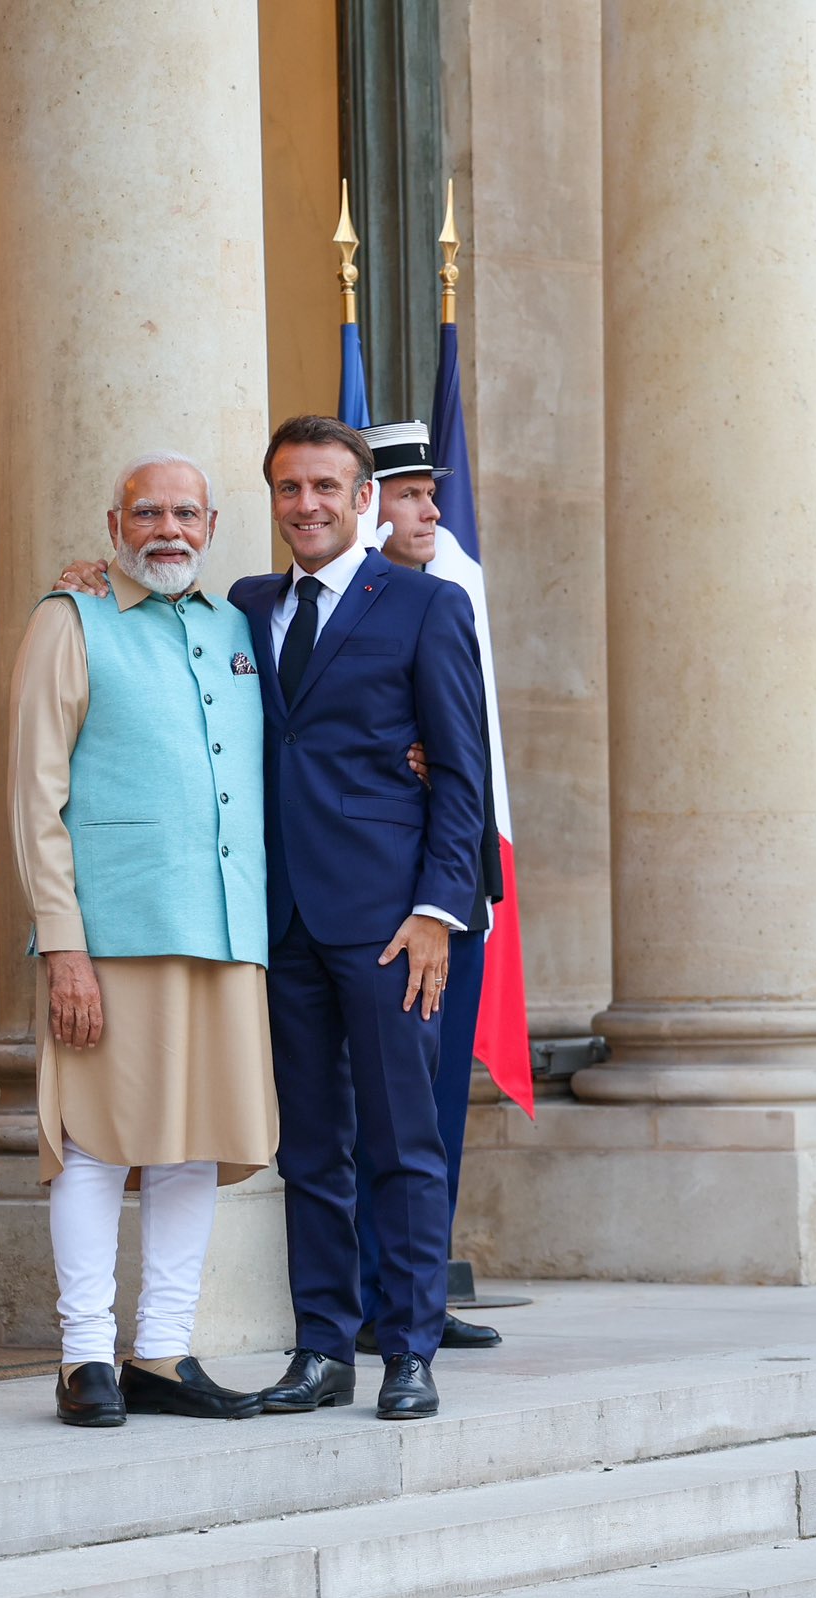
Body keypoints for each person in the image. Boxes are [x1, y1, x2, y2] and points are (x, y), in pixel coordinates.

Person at [11, 452, 277, 1427]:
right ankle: (84, 1355)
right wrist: (60, 942)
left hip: (224, 923)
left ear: (210, 525)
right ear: (112, 522)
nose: (167, 528)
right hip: (112, 933)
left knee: (191, 1146)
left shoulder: (238, 625)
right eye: (146, 512)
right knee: (92, 1142)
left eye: (185, 513)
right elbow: (33, 795)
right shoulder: (68, 619)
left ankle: (161, 1349)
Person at [237, 416, 487, 1420]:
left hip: (390, 922)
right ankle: (321, 1349)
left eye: (325, 488)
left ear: (362, 500)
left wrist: (436, 909)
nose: (306, 505)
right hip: (283, 918)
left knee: (402, 1140)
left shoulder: (424, 606)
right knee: (310, 1148)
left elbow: (460, 773)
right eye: (289, 488)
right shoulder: (244, 606)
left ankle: (411, 1349)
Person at [351, 421, 505, 1357]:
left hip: (453, 888)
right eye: (409, 495)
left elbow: (465, 753)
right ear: (368, 502)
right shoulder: (328, 607)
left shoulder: (446, 595)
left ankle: (418, 1288)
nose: (432, 511)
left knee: (437, 1102)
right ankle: (379, 1296)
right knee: (377, 1109)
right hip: (374, 896)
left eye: (428, 492)